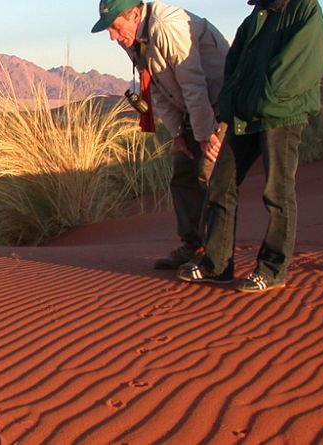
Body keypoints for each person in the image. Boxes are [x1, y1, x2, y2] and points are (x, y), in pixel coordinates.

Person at [178, 0, 323, 292]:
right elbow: (234, 66)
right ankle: (217, 265)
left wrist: (263, 97)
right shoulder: (255, 18)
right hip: (246, 116)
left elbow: (299, 65)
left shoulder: (304, 8)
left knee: (277, 191)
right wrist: (233, 103)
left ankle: (272, 270)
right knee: (221, 183)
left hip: (283, 116)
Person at [92, 0, 229, 270]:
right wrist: (178, 133)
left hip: (220, 102)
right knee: (182, 171)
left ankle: (217, 258)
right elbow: (155, 88)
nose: (112, 36)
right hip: (194, 107)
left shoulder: (168, 27)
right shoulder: (131, 39)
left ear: (134, 14)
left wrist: (204, 134)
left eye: (115, 27)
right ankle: (193, 246)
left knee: (208, 172)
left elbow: (194, 84)